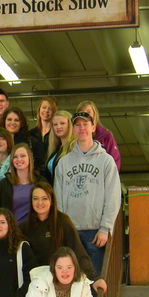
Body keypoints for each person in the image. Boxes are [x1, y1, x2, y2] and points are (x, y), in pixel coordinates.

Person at [54, 112, 121, 275]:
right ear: (73, 129)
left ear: (93, 127)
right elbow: (58, 198)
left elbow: (113, 197)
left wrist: (106, 228)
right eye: (77, 124)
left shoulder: (106, 161)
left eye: (85, 124)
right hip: (72, 230)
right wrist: (63, 228)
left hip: (95, 231)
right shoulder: (63, 163)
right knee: (73, 280)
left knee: (94, 280)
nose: (81, 128)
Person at [20, 182, 107, 293]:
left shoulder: (63, 222)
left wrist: (95, 278)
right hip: (37, 283)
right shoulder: (25, 227)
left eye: (44, 198)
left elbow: (78, 251)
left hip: (60, 281)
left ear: (51, 201)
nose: (39, 203)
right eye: (35, 199)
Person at [0, 143, 41, 224]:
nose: (19, 159)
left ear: (30, 158)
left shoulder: (40, 182)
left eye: (22, 156)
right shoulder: (4, 184)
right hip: (11, 231)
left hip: (35, 231)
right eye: (15, 157)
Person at [76, 100, 121, 171]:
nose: (85, 115)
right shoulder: (74, 137)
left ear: (95, 114)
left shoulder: (106, 136)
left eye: (88, 112)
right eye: (82, 112)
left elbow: (115, 160)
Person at [43, 110, 75, 183]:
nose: (58, 127)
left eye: (62, 123)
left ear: (70, 125)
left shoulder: (75, 148)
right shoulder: (56, 149)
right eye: (55, 124)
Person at [28, 96, 58, 172]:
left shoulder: (57, 134)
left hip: (51, 175)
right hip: (34, 174)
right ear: (39, 110)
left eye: (50, 109)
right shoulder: (30, 134)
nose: (46, 110)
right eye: (44, 107)